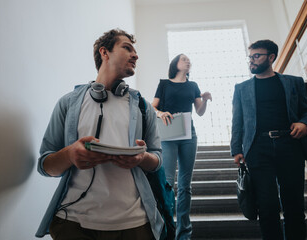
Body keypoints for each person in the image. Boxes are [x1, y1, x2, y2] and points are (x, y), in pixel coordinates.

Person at [35, 29, 164, 240]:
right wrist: (69, 155)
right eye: (127, 48)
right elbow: (45, 166)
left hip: (136, 226)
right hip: (73, 224)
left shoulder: (143, 107)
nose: (136, 55)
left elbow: (158, 159)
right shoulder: (68, 103)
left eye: (135, 50)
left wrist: (142, 158)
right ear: (105, 52)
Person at [231, 39, 307, 240]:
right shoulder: (242, 88)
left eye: (256, 56)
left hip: (290, 145)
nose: (251, 60)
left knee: (294, 204)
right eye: (250, 57)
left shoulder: (293, 82)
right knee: (267, 206)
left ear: (271, 57)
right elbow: (238, 120)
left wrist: (305, 124)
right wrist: (236, 149)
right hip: (258, 148)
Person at [151, 54, 212, 240]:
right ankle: (166, 230)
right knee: (168, 183)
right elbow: (152, 107)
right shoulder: (164, 84)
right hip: (168, 135)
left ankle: (184, 233)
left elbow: (199, 112)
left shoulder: (193, 86)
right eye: (183, 58)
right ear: (175, 64)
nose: (187, 61)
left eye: (188, 60)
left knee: (185, 186)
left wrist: (206, 100)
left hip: (188, 135)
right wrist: (160, 113)